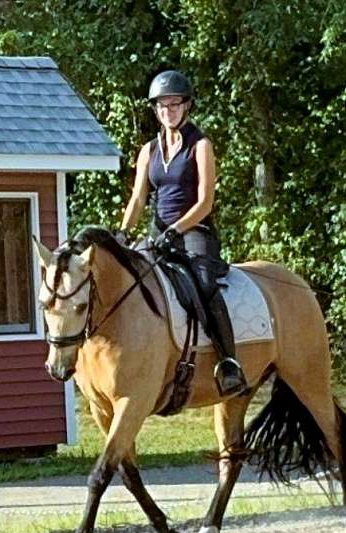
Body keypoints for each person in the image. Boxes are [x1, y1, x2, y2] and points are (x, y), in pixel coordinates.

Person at [120, 70, 247, 397]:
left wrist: (177, 229)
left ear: (186, 106)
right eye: (163, 105)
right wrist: (123, 233)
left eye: (175, 104)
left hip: (194, 231)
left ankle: (229, 362)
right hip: (157, 233)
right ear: (156, 109)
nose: (168, 111)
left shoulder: (200, 145)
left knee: (204, 286)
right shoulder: (148, 151)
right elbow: (137, 198)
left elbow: (206, 201)